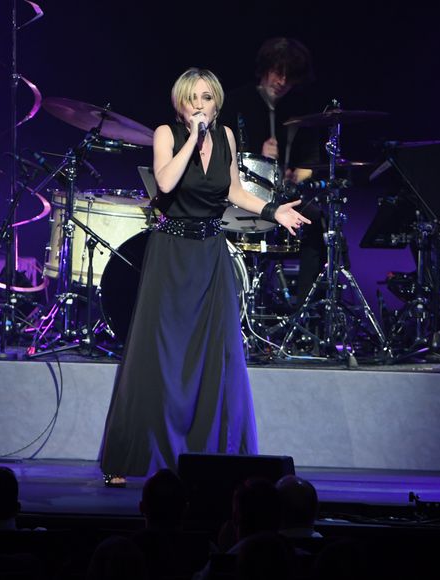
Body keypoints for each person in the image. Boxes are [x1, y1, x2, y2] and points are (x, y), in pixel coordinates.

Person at [99, 67, 310, 486]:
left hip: (210, 253)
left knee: (214, 352)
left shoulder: (227, 137)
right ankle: (135, 453)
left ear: (216, 103)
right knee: (160, 353)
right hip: (171, 254)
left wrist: (273, 210)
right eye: (192, 98)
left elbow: (232, 191)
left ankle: (215, 454)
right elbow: (165, 181)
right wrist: (193, 139)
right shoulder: (167, 134)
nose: (200, 105)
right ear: (181, 104)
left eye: (207, 98)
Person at [219, 37, 327, 306]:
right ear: (265, 69)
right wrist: (259, 154)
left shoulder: (300, 109)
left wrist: (296, 174)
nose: (282, 82)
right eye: (278, 73)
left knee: (317, 225)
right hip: (243, 193)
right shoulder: (236, 102)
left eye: (289, 78)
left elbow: (310, 164)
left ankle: (305, 311)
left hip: (283, 196)